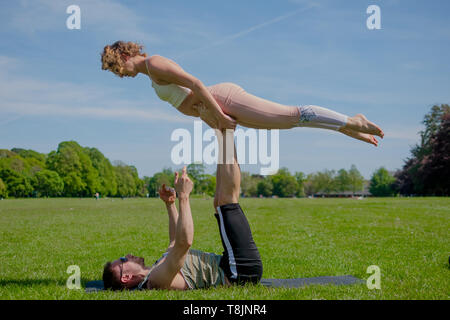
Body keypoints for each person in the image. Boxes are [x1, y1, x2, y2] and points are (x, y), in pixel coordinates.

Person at [101, 41, 384, 147]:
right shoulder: (151, 75)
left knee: (290, 114)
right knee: (290, 123)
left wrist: (219, 117)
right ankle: (346, 128)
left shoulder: (154, 64)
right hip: (215, 110)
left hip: (223, 100)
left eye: (117, 67)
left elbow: (197, 84)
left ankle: (352, 120)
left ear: (126, 54)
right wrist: (211, 119)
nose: (120, 74)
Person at [102, 129, 262, 290]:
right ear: (126, 277)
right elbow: (184, 243)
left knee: (220, 201)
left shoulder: (157, 270)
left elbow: (174, 241)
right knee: (226, 201)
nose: (128, 255)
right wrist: (183, 196)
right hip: (239, 273)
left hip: (230, 265)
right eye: (123, 260)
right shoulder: (156, 280)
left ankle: (223, 134)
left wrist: (170, 204)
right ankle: (227, 131)